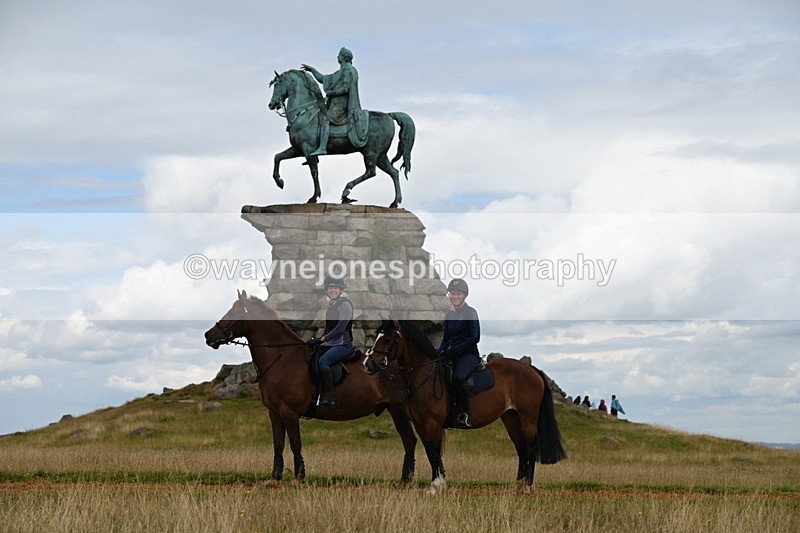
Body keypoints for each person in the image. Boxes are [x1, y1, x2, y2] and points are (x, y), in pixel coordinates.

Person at [301, 47, 367, 156]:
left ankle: (322, 147)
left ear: (344, 57)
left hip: (342, 105)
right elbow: (323, 79)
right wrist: (312, 70)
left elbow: (346, 88)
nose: (337, 57)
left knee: (325, 119)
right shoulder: (339, 72)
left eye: (339, 55)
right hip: (334, 104)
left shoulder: (349, 71)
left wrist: (332, 93)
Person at [438, 278, 481, 428]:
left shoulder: (471, 312)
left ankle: (465, 414)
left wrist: (456, 350)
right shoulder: (449, 315)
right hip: (451, 353)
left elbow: (475, 337)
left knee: (458, 377)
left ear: (464, 295)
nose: (455, 297)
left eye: (459, 294)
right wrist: (437, 352)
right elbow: (445, 339)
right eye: (453, 293)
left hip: (468, 354)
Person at [306, 274, 354, 408]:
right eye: (330, 288)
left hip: (343, 344)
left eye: (336, 288)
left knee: (323, 362)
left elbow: (340, 328)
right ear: (326, 290)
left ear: (340, 290)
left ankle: (330, 396)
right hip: (332, 344)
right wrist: (317, 341)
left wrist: (323, 339)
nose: (333, 290)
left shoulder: (345, 305)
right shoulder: (332, 306)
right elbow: (328, 329)